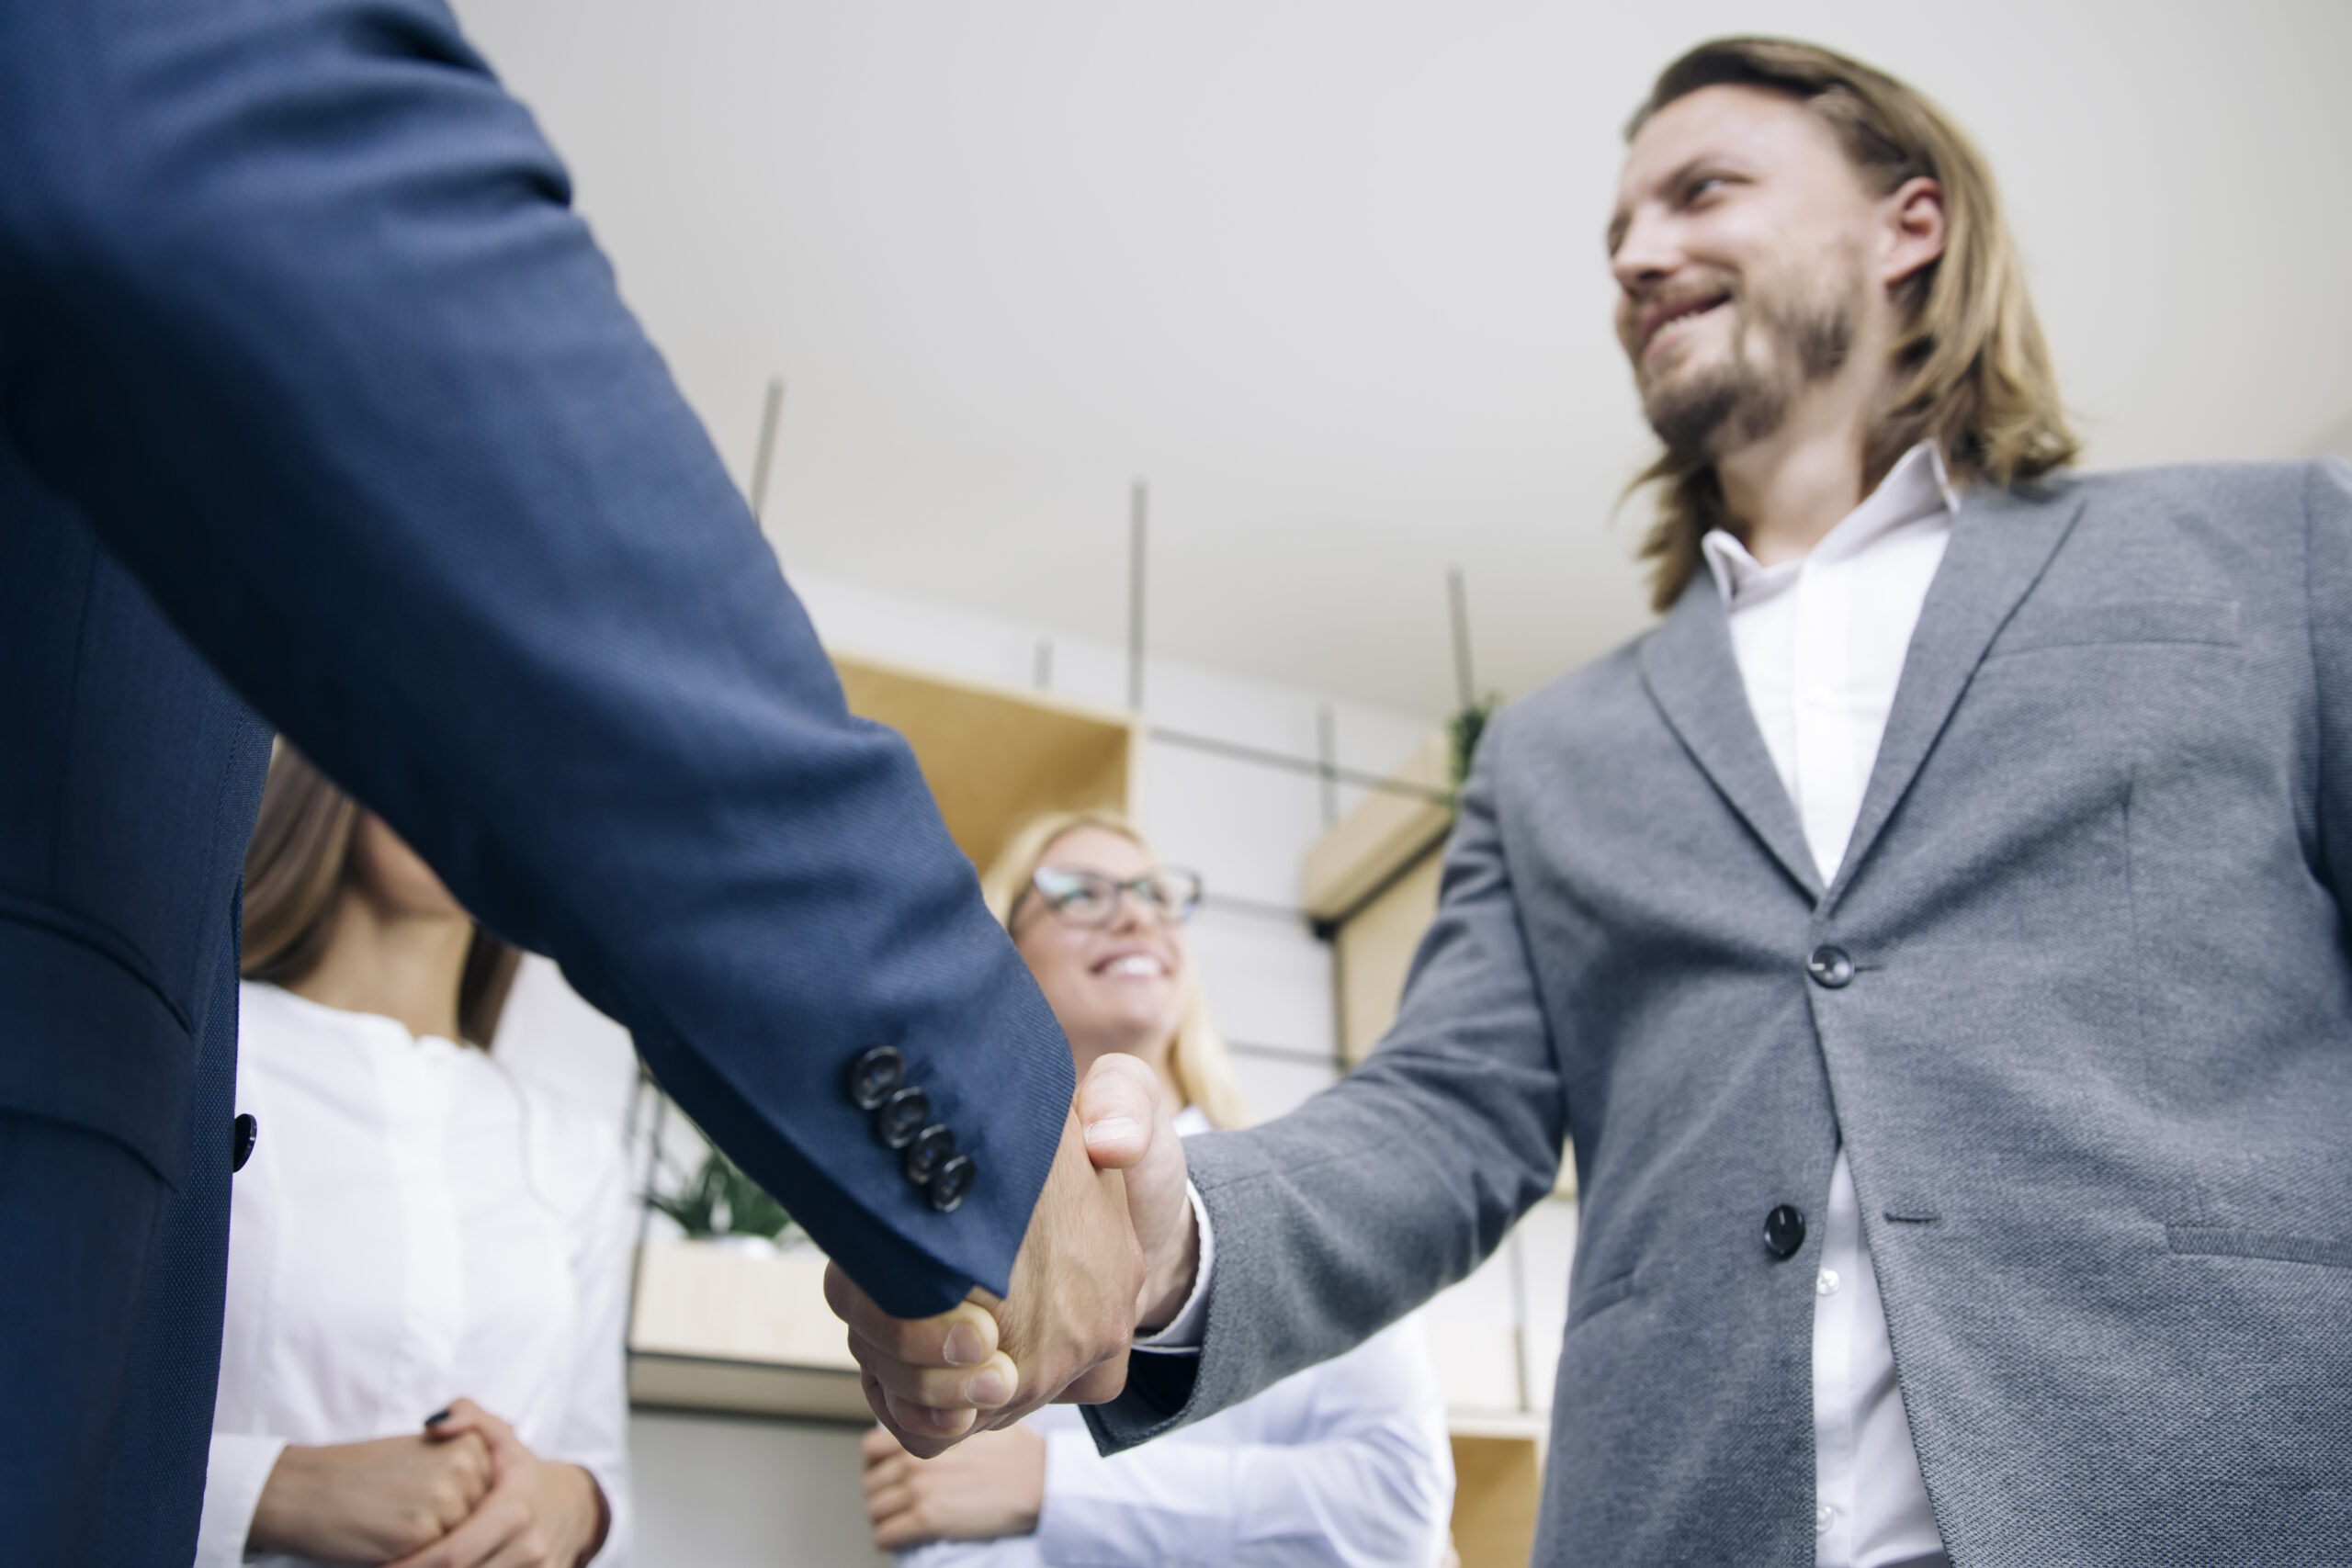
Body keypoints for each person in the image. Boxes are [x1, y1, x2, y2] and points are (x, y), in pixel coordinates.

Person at [839, 36, 2352, 1566]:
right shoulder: (1553, 751)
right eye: (1619, 233)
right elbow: (1442, 1120)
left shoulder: (2274, 556)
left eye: (1703, 191)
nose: (1638, 254)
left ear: (1912, 224)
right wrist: (1173, 1241)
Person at [0, 5, 1148, 1560]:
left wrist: (566, 1506)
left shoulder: (557, 1138)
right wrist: (982, 1124)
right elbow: (240, 173)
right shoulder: (230, 1036)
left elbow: (591, 1459)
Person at [863, 813, 1453, 1568]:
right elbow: (937, 1515)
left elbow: (1395, 1512)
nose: (1136, 912)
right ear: (1004, 949)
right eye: (1079, 893)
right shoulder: (953, 1222)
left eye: (1155, 893)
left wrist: (1053, 1486)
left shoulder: (1312, 1194)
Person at [196, 747, 631, 1568]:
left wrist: (575, 1504)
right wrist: (269, 1489)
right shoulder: (201, 1057)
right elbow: (56, 1398)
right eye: (436, 734)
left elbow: (600, 1467)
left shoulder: (573, 1147)